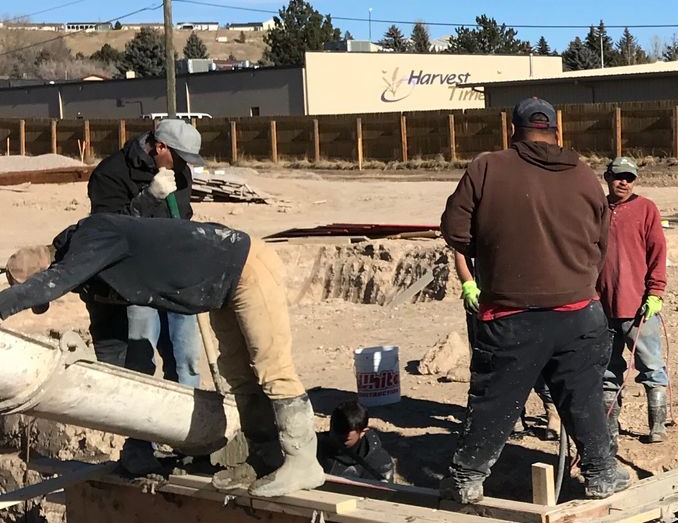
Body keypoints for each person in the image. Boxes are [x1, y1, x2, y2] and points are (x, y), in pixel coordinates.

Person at [0, 213, 320, 497]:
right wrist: (117, 395)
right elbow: (110, 342)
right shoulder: (90, 276)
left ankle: (303, 462)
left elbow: (53, 283)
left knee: (271, 367)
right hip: (220, 287)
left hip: (244, 263)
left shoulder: (95, 234)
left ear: (48, 268)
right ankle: (264, 458)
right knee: (237, 373)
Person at [438, 97, 630, 505]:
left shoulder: (487, 167)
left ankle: (467, 478)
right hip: (579, 311)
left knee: (495, 400)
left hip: (511, 312)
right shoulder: (582, 174)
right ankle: (601, 474)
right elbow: (601, 241)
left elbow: (455, 232)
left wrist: (497, 249)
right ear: (556, 132)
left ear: (514, 131)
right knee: (584, 395)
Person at [85, 116, 207, 473]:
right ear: (160, 146)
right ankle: (138, 446)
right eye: (179, 158)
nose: (183, 167)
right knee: (139, 363)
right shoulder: (111, 174)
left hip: (176, 280)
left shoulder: (179, 172)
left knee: (185, 361)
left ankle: (188, 440)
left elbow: (183, 219)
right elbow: (105, 231)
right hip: (136, 283)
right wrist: (148, 199)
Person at [598, 155, 670, 443]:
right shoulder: (597, 209)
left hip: (638, 307)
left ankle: (658, 426)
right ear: (607, 178)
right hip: (601, 307)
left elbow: (657, 254)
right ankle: (610, 429)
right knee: (606, 371)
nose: (624, 182)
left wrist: (655, 292)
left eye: (629, 178)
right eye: (619, 176)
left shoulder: (646, 209)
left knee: (651, 366)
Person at [318, 398, 395, 483]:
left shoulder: (378, 464)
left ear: (362, 432)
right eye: (333, 434)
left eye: (345, 440)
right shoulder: (316, 445)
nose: (336, 441)